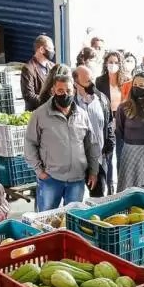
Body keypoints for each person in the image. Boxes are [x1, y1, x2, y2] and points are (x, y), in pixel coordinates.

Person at [24, 70, 99, 210]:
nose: (65, 94)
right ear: (53, 91)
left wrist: (93, 171)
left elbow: (91, 145)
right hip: (51, 179)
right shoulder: (40, 115)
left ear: (74, 90)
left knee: (72, 219)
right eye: (60, 90)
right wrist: (39, 171)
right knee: (45, 219)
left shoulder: (82, 115)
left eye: (68, 90)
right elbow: (29, 144)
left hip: (77, 179)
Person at [73, 65, 114, 196]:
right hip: (77, 159)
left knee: (98, 196)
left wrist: (109, 145)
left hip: (99, 158)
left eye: (92, 80)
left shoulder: (101, 99)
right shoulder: (70, 103)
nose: (91, 84)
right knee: (75, 199)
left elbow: (109, 123)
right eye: (87, 82)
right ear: (76, 84)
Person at [116, 73, 144, 191]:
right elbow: (119, 130)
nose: (137, 87)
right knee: (128, 187)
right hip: (130, 150)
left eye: (141, 85)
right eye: (135, 84)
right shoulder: (123, 107)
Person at [21, 35, 56, 110]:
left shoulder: (53, 66)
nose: (53, 52)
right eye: (50, 49)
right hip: (36, 111)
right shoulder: (28, 69)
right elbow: (28, 95)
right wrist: (50, 101)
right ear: (41, 49)